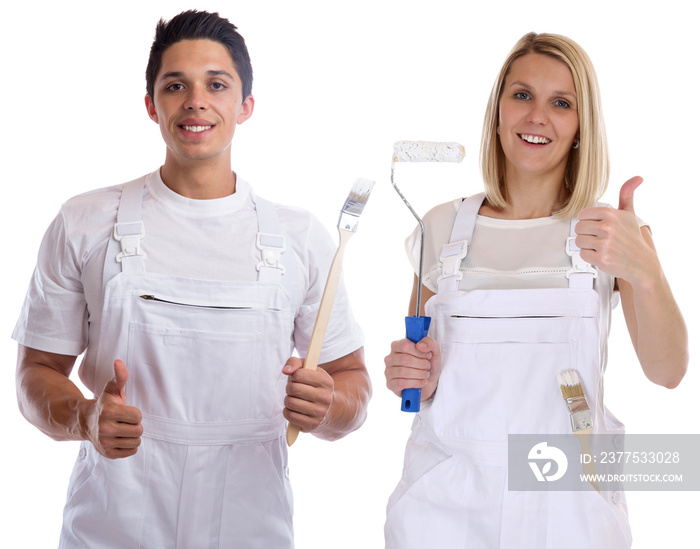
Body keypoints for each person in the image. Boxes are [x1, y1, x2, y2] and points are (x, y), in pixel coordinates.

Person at [13, 10, 370, 548]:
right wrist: (85, 417)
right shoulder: (84, 223)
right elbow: (35, 373)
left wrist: (327, 408)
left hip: (251, 524)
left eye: (216, 84)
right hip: (113, 523)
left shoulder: (302, 239)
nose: (195, 101)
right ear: (152, 105)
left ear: (245, 106)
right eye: (175, 85)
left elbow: (353, 384)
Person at [383, 32, 687, 548]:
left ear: (581, 127)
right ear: (498, 108)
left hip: (568, 507)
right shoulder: (441, 227)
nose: (536, 117)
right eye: (522, 95)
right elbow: (421, 370)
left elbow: (669, 372)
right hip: (445, 507)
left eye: (561, 103)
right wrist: (411, 372)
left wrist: (645, 272)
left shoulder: (609, 233)